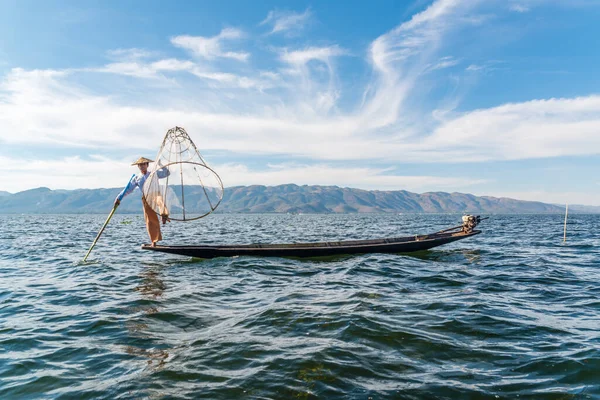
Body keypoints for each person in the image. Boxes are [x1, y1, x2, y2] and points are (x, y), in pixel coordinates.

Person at [115, 157, 170, 247]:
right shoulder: (137, 178)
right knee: (150, 220)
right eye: (140, 165)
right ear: (138, 166)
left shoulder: (153, 174)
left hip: (155, 194)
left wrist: (160, 164)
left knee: (160, 202)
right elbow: (128, 189)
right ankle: (154, 241)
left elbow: (167, 173)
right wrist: (119, 198)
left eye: (144, 164)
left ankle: (164, 215)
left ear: (147, 165)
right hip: (146, 197)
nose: (142, 166)